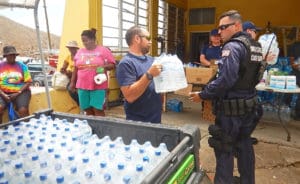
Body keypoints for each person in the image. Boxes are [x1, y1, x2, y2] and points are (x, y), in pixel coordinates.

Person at [190, 10, 263, 184]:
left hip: (232, 111)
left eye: (224, 27)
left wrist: (203, 94)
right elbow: (256, 75)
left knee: (224, 147)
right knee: (244, 145)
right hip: (249, 106)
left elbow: (226, 80)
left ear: (237, 25)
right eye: (219, 28)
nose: (220, 31)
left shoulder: (232, 46)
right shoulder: (255, 46)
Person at [116, 26, 162, 123]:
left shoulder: (151, 60)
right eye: (148, 38)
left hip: (155, 118)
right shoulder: (126, 63)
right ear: (137, 38)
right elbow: (130, 96)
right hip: (139, 121)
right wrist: (149, 75)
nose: (150, 42)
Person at [69, 28, 116, 116]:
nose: (84, 43)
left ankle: (100, 128)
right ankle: (92, 127)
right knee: (87, 109)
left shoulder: (103, 50)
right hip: (82, 85)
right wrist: (72, 82)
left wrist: (102, 67)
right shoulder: (80, 51)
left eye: (86, 40)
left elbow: (112, 65)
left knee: (97, 109)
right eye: (83, 41)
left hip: (98, 85)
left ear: (93, 39)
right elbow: (76, 68)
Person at [0, 46, 32, 124]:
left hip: (21, 91)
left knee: (23, 110)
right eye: (10, 55)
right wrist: (3, 94)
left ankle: (28, 130)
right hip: (2, 92)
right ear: (5, 56)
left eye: (14, 55)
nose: (13, 56)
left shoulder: (22, 66)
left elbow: (28, 82)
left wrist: (18, 93)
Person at [60, 40, 80, 105]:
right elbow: (64, 67)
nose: (71, 49)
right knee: (70, 89)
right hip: (72, 77)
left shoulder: (80, 56)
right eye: (70, 48)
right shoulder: (68, 57)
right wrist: (63, 70)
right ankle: (80, 103)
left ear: (76, 48)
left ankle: (82, 104)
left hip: (80, 76)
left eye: (72, 48)